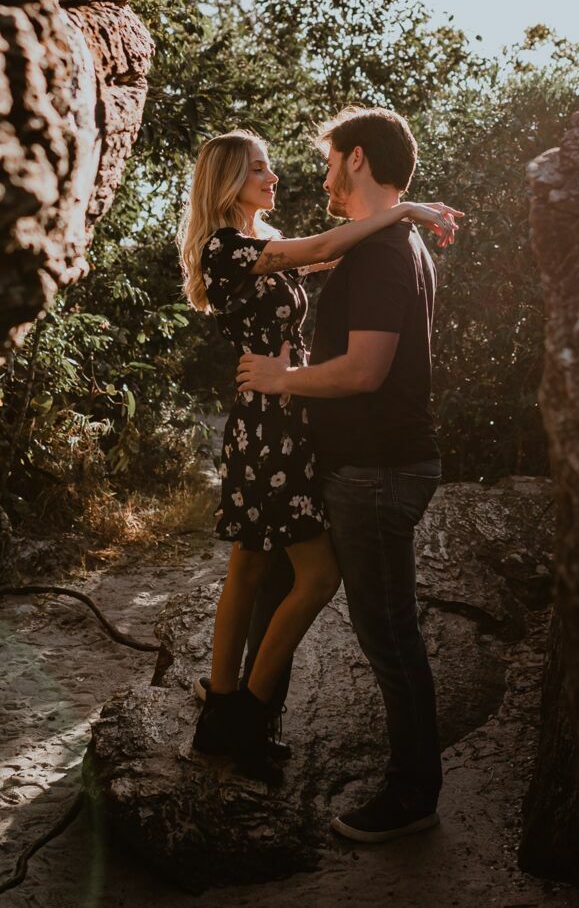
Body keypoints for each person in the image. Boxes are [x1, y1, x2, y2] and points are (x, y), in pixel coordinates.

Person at [177, 129, 459, 783]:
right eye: (259, 169)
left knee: (250, 568)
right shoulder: (231, 249)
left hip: (280, 415)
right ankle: (241, 716)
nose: (274, 177)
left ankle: (222, 715)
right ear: (226, 181)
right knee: (314, 577)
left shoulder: (262, 248)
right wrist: (409, 210)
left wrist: (395, 226)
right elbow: (332, 246)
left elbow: (339, 255)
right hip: (271, 418)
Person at [236, 105, 449, 842]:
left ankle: (413, 796)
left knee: (388, 631)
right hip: (361, 466)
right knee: (299, 588)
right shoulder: (384, 242)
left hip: (380, 470)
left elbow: (364, 372)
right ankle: (245, 727)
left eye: (329, 160)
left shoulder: (389, 251)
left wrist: (280, 378)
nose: (322, 175)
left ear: (356, 159)